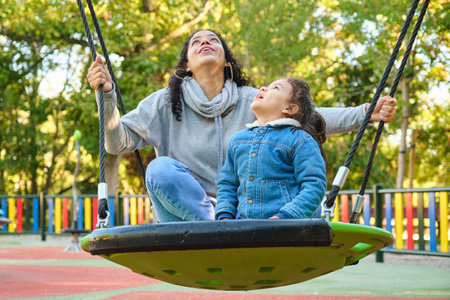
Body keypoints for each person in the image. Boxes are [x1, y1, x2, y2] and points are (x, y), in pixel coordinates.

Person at [87, 29, 397, 223]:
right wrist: (108, 97)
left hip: (244, 211)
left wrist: (366, 113)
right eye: (196, 41)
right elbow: (116, 142)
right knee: (159, 169)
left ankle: (229, 227)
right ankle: (216, 229)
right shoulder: (165, 102)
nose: (205, 42)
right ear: (186, 66)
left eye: (213, 40)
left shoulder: (252, 100)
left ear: (226, 60)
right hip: (189, 214)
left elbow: (310, 117)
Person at [215, 78, 327, 220]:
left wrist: (285, 216)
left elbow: (314, 185)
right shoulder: (238, 140)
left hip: (288, 230)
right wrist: (225, 216)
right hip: (245, 229)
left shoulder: (300, 140)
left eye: (275, 88)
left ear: (290, 108)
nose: (262, 88)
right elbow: (227, 183)